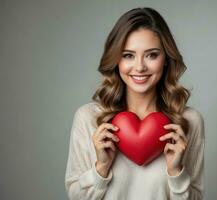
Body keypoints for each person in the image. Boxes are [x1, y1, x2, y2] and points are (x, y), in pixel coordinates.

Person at [65, 7, 205, 200]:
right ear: (116, 60)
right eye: (128, 55)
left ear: (165, 59)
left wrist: (176, 172)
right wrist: (101, 168)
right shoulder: (88, 118)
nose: (139, 67)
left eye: (151, 55)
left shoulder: (188, 122)